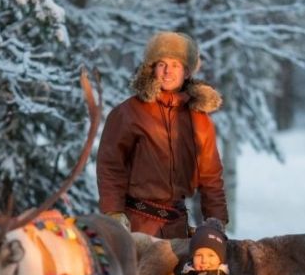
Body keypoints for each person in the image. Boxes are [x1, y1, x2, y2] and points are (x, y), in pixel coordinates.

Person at [96, 31, 228, 238]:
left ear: (186, 72)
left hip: (177, 226)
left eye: (175, 65)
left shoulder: (199, 120)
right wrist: (113, 212)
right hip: (135, 224)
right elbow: (111, 165)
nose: (168, 71)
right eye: (161, 64)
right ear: (152, 69)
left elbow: (210, 176)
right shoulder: (128, 113)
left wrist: (216, 221)